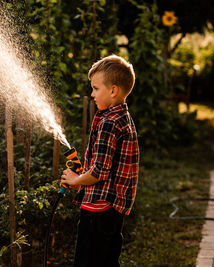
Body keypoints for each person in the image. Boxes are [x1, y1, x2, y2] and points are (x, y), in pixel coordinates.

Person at [60, 55, 139, 267]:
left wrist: (76, 180)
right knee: (107, 261)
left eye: (95, 88)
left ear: (113, 91)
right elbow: (104, 165)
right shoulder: (123, 118)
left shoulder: (109, 123)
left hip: (99, 209)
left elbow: (99, 173)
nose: (92, 94)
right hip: (112, 210)